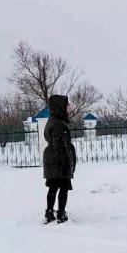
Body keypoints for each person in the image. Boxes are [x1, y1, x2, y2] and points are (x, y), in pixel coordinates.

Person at [42, 94, 77, 224]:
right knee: (63, 187)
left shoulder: (52, 120)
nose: (69, 107)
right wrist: (67, 163)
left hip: (52, 159)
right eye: (67, 104)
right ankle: (61, 214)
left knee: (53, 187)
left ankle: (49, 212)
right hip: (58, 161)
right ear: (60, 106)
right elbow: (61, 146)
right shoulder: (59, 124)